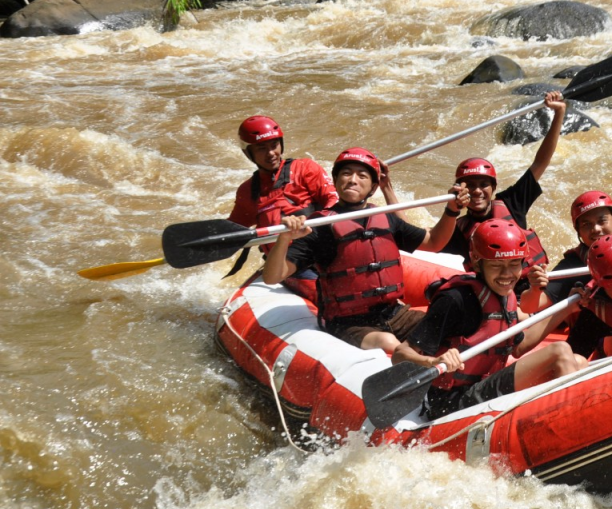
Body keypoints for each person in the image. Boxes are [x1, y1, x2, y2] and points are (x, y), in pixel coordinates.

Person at [262, 148, 470, 354]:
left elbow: (434, 242)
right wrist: (284, 238)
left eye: (362, 176)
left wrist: (452, 210)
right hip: (346, 323)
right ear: (336, 180)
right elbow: (272, 277)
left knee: (453, 326)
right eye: (346, 173)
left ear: (372, 187)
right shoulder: (321, 225)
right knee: (387, 341)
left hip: (393, 314)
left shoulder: (385, 218)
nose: (353, 180)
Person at [392, 219, 585, 421]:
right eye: (496, 265)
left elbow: (518, 347)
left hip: (484, 386)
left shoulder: (506, 295)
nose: (507, 274)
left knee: (578, 361)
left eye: (514, 264)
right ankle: (572, 424)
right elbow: (400, 354)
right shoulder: (454, 300)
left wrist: (567, 309)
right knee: (560, 351)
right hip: (450, 402)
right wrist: (433, 361)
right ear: (477, 261)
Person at [441, 91, 567, 293]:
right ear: (459, 188)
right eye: (470, 185)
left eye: (483, 184)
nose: (477, 191)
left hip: (527, 288)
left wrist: (559, 113)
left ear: (493, 188)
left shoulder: (512, 202)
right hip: (492, 294)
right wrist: (387, 188)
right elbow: (419, 238)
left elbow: (540, 162)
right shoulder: (456, 228)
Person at [227, 115, 339, 301]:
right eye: (262, 148)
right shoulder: (248, 191)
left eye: (274, 145)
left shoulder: (305, 168)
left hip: (322, 253)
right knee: (330, 299)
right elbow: (234, 229)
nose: (271, 153)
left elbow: (333, 200)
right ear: (249, 153)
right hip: (291, 267)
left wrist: (315, 222)